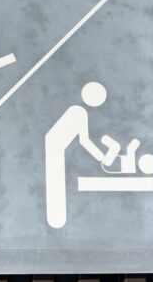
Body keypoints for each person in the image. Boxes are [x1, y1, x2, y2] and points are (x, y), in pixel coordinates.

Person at [45, 82, 109, 228]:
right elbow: (84, 141)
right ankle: (56, 219)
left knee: (56, 181)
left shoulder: (78, 111)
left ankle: (56, 219)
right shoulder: (79, 112)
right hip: (55, 149)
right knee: (55, 182)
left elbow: (83, 140)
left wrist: (101, 157)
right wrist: (101, 157)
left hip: (56, 148)